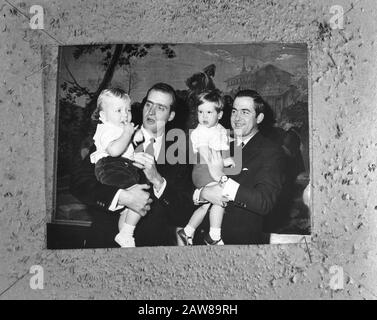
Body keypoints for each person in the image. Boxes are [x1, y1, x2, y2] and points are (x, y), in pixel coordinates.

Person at [70, 83, 195, 248]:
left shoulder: (180, 154)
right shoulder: (117, 135)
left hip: (153, 250)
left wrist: (158, 180)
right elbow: (78, 182)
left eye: (160, 108)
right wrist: (121, 197)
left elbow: (185, 211)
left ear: (171, 116)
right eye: (148, 104)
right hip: (106, 245)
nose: (151, 112)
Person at [194, 89, 287, 244]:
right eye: (234, 111)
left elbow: (264, 202)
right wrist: (202, 193)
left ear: (259, 118)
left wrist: (221, 178)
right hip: (200, 242)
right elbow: (193, 182)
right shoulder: (220, 143)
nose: (237, 118)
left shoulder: (271, 151)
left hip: (237, 245)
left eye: (245, 112)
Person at [89, 88, 145, 248]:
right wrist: (128, 135)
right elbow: (114, 151)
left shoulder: (119, 130)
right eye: (118, 110)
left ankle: (124, 237)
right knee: (139, 197)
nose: (125, 114)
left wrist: (135, 141)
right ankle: (127, 234)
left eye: (128, 110)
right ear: (103, 116)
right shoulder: (106, 129)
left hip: (122, 167)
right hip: (110, 166)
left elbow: (126, 151)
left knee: (129, 210)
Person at [178, 91, 234, 246]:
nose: (204, 116)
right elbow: (204, 153)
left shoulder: (220, 129)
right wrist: (221, 164)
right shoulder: (201, 131)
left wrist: (228, 151)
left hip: (212, 168)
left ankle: (187, 231)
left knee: (205, 206)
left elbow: (223, 142)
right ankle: (214, 236)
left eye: (209, 112)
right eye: (200, 112)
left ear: (220, 114)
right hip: (204, 169)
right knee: (220, 197)